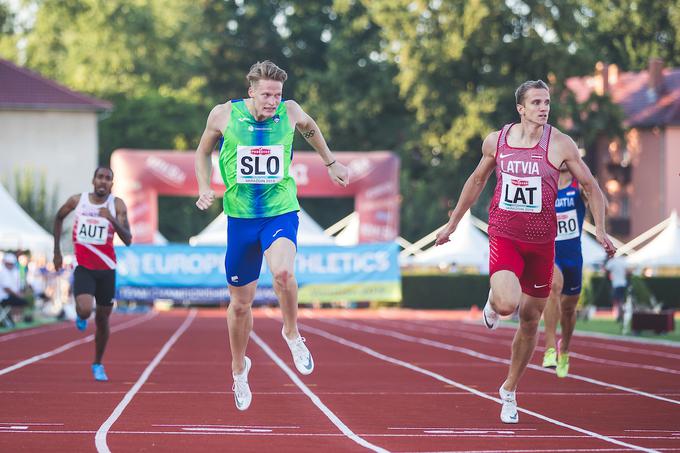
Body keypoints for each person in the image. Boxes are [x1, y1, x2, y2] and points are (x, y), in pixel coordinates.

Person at [435, 80, 615, 424]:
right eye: (536, 102)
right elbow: (476, 182)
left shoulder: (561, 144)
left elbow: (590, 186)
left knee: (530, 320)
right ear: (521, 108)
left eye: (547, 102)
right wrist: (453, 224)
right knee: (507, 305)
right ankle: (492, 301)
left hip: (542, 245)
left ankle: (509, 390)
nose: (544, 108)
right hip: (505, 235)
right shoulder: (497, 141)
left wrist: (602, 230)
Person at [194, 60, 349, 411]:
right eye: (266, 95)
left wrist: (330, 162)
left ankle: (292, 332)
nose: (272, 102)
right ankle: (239, 369)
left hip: (280, 210)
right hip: (241, 219)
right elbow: (203, 151)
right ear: (251, 91)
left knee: (283, 273)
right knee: (240, 304)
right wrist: (204, 186)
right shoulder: (223, 115)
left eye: (277, 95)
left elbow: (310, 128)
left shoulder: (290, 111)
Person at [53, 166, 132, 381]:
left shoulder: (116, 205)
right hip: (85, 268)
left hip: (107, 269)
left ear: (111, 184)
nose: (103, 182)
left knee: (103, 320)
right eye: (100, 177)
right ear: (93, 180)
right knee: (87, 310)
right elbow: (58, 218)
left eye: (108, 179)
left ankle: (97, 363)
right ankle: (80, 314)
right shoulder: (78, 201)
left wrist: (112, 219)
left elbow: (128, 239)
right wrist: (57, 252)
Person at [541, 165, 592, 377]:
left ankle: (566, 349)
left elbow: (601, 201)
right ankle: (550, 347)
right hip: (552, 253)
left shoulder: (579, 185)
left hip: (573, 257)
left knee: (569, 309)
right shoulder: (547, 185)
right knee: (553, 287)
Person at [0, 253, 29, 328]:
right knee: (19, 301)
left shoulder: (15, 272)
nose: (10, 265)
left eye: (11, 264)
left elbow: (18, 284)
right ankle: (12, 318)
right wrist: (17, 295)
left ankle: (14, 318)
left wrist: (21, 292)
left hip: (11, 295)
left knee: (22, 301)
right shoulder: (3, 272)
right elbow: (6, 288)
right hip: (4, 297)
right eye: (9, 263)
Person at [604, 255, 628, 322]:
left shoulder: (612, 261)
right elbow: (627, 271)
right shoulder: (623, 261)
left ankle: (620, 316)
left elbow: (606, 269)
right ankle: (621, 315)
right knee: (621, 300)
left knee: (618, 301)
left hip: (616, 284)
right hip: (623, 283)